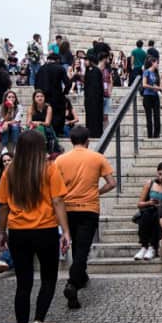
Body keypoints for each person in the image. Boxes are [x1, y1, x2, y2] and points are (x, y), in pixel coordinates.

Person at [0, 132, 71, 323]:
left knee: (23, 283)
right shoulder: (49, 168)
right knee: (48, 278)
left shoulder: (10, 171)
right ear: (41, 147)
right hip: (45, 229)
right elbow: (57, 200)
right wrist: (65, 230)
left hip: (19, 232)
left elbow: (2, 205)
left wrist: (2, 231)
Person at [56, 125, 117, 309]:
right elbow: (112, 183)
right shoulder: (97, 158)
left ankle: (80, 276)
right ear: (88, 140)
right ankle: (73, 283)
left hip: (67, 208)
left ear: (71, 140)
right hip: (89, 208)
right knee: (83, 248)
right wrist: (97, 192)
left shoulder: (60, 160)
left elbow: (55, 189)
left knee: (77, 247)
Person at [135, 162, 162, 260]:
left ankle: (153, 247)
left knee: (157, 215)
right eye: (159, 174)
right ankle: (144, 246)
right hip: (149, 210)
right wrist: (149, 202)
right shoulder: (150, 184)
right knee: (147, 215)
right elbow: (139, 204)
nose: (161, 177)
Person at [35, 51, 72, 136]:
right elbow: (68, 83)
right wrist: (64, 92)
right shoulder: (60, 68)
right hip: (57, 96)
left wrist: (38, 95)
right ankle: (58, 132)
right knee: (58, 113)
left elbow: (36, 83)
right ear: (57, 60)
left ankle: (46, 131)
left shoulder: (41, 68)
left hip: (43, 96)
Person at [84, 50, 108, 139]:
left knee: (95, 116)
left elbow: (97, 87)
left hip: (95, 99)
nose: (85, 62)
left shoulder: (95, 71)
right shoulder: (89, 71)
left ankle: (95, 133)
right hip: (89, 99)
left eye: (87, 60)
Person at [25, 88, 57, 154]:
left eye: (42, 96)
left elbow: (47, 123)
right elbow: (28, 123)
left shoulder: (48, 108)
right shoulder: (30, 108)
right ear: (34, 98)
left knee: (40, 128)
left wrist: (39, 123)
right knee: (29, 130)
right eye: (37, 96)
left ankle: (43, 148)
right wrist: (34, 124)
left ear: (44, 98)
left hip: (45, 127)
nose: (40, 98)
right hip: (33, 127)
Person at [140, 57, 162, 139]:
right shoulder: (146, 72)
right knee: (149, 116)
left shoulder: (156, 73)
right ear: (152, 63)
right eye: (157, 63)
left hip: (155, 96)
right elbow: (144, 84)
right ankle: (150, 135)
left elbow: (157, 84)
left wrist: (160, 88)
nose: (158, 64)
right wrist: (153, 87)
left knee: (157, 116)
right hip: (147, 96)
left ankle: (156, 135)